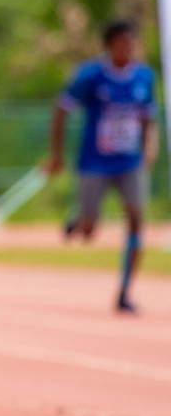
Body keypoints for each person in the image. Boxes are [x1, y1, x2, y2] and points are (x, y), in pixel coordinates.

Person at [44, 19, 158, 313]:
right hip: (94, 163)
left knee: (136, 221)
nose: (128, 49)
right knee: (88, 231)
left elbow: (148, 118)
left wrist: (149, 148)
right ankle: (78, 223)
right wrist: (56, 155)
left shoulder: (144, 77)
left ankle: (124, 292)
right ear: (109, 46)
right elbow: (61, 109)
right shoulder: (91, 76)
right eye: (122, 44)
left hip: (129, 163)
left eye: (132, 44)